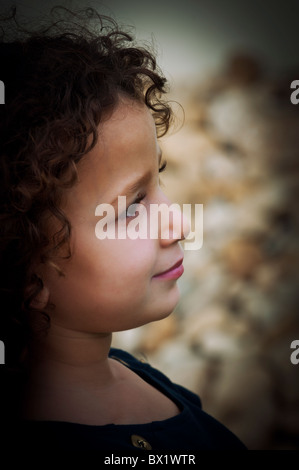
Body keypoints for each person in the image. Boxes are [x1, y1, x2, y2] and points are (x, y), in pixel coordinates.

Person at [0, 6, 246, 452]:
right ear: (22, 263)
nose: (178, 223)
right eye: (133, 205)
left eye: (160, 177)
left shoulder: (141, 376)